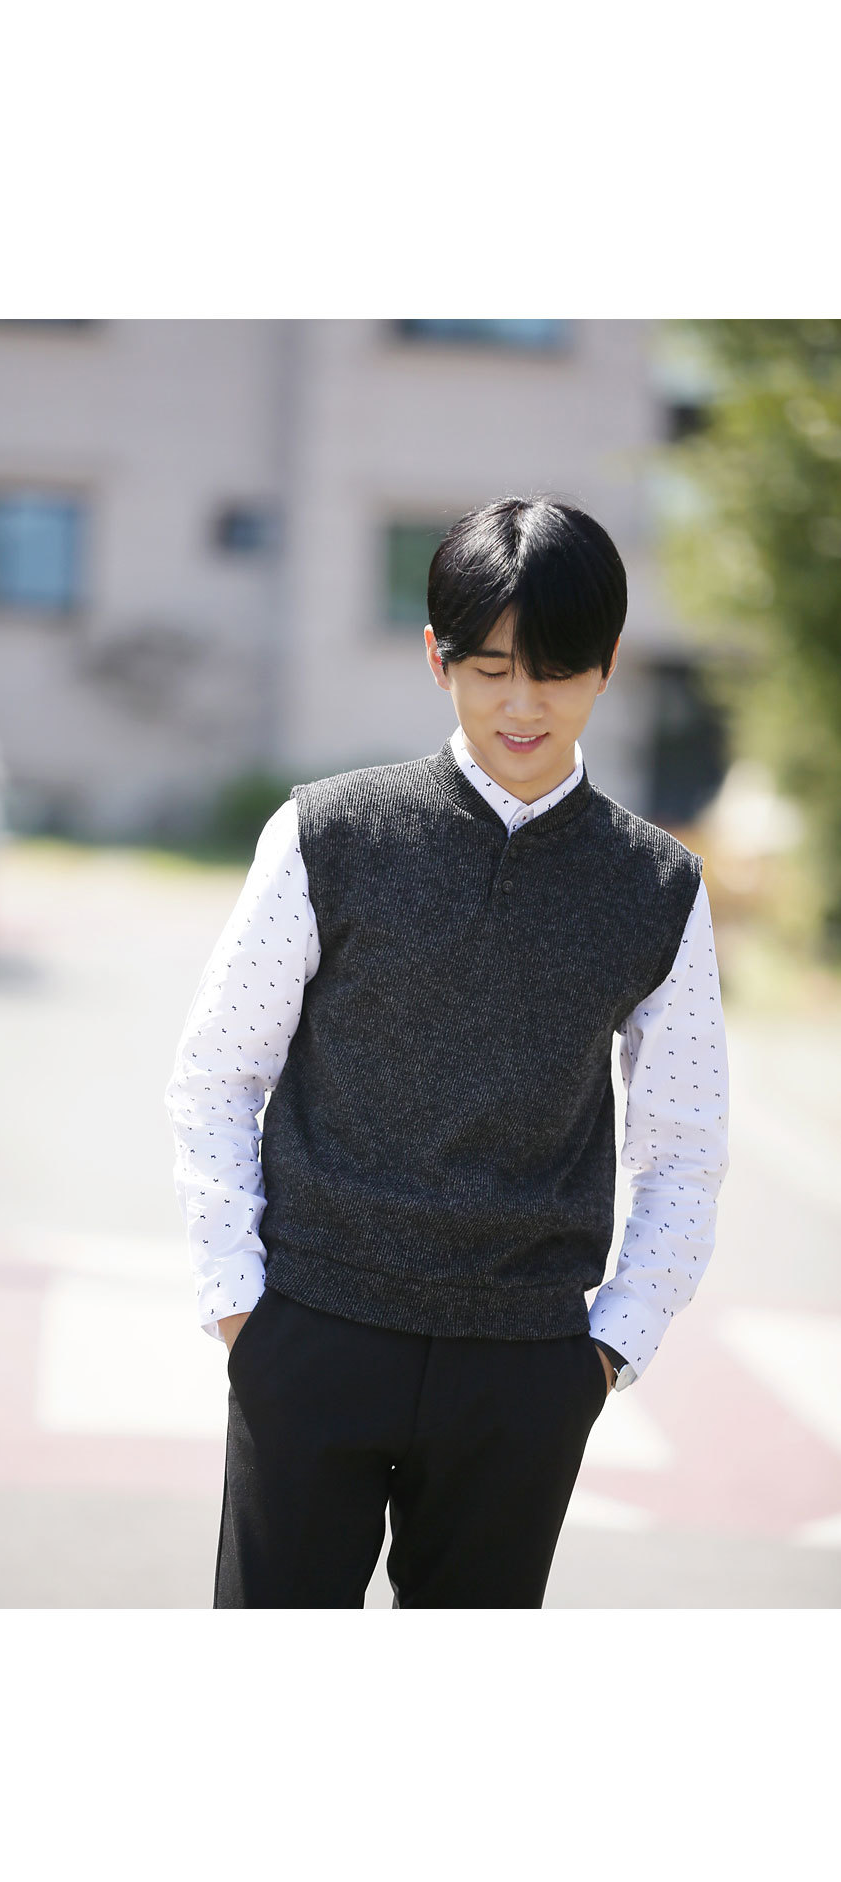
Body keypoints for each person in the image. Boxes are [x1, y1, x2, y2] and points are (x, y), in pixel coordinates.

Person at [164, 494, 730, 1608]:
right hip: (313, 1332)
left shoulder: (656, 885)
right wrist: (242, 1310)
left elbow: (684, 1142)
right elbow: (217, 1073)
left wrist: (607, 1350)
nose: (522, 703)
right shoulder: (328, 833)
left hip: (522, 1369)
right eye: (490, 668)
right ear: (438, 658)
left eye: (555, 672)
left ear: (608, 666)